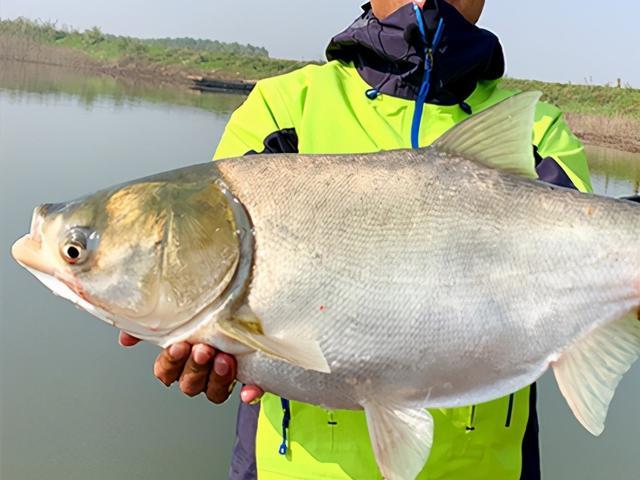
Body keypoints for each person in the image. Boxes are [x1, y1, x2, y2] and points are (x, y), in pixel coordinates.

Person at [121, 0, 592, 478]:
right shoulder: (284, 109)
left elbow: (596, 282)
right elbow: (218, 274)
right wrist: (195, 330)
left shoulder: (535, 131)